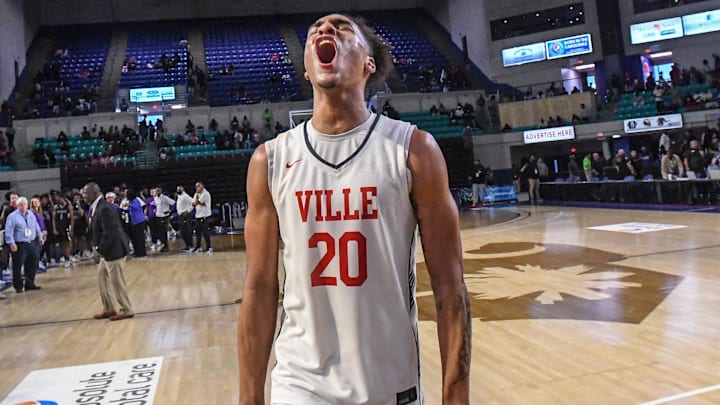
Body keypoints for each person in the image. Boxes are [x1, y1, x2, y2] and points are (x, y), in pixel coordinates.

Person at [237, 14, 470, 405]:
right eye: (315, 30)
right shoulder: (271, 160)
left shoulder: (413, 151)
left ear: (369, 63)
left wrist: (456, 394)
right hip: (299, 383)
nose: (324, 30)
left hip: (387, 381)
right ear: (308, 70)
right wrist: (248, 397)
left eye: (342, 28)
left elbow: (450, 286)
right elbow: (259, 288)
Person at [81, 183, 133, 321]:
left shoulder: (104, 208)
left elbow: (110, 232)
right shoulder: (97, 207)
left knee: (117, 282)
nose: (84, 196)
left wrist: (100, 249)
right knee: (102, 278)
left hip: (114, 250)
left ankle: (126, 309)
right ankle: (109, 308)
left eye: (86, 193)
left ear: (94, 193)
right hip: (107, 252)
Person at [5, 197, 44, 293]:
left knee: (32, 264)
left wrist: (40, 236)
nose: (23, 206)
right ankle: (18, 286)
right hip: (20, 244)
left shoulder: (31, 214)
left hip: (32, 242)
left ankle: (30, 284)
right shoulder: (12, 216)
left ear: (27, 205)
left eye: (24, 204)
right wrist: (11, 243)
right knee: (18, 266)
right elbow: (9, 231)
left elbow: (36, 226)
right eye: (20, 205)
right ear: (17, 206)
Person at [151, 187, 175, 253]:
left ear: (161, 191)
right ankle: (164, 244)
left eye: (158, 190)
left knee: (164, 232)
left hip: (164, 217)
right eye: (156, 191)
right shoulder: (155, 198)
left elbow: (173, 203)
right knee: (159, 232)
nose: (157, 192)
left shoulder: (165, 198)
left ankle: (166, 246)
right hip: (158, 216)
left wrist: (170, 211)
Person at [192, 182, 212, 253]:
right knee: (198, 233)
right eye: (196, 186)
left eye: (198, 186)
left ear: (202, 186)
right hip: (198, 215)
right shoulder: (196, 194)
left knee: (205, 232)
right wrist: (197, 201)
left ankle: (209, 247)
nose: (197, 188)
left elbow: (197, 202)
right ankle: (198, 247)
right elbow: (193, 203)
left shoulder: (205, 193)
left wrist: (197, 201)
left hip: (204, 216)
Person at [175, 186, 194, 252]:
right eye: (177, 189)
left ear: (182, 189)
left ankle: (191, 246)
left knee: (187, 231)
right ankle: (187, 245)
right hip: (180, 215)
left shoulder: (185, 196)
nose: (178, 190)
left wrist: (188, 210)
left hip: (186, 215)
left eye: (179, 189)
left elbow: (193, 202)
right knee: (182, 232)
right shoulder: (179, 196)